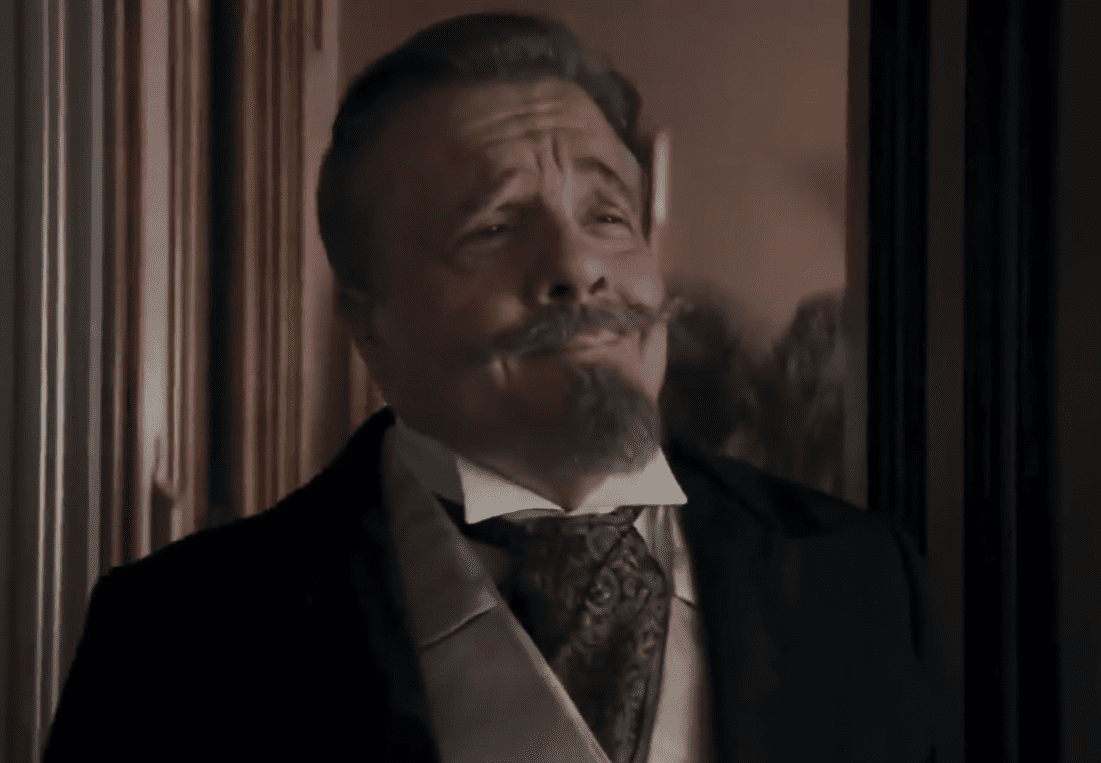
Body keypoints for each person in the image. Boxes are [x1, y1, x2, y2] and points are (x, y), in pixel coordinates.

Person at [44, 13, 933, 763]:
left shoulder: (858, 580)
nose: (578, 267)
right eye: (494, 226)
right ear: (369, 319)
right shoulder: (174, 640)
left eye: (607, 215)